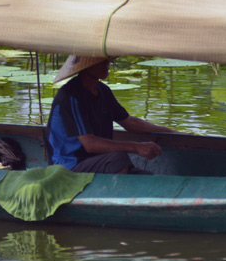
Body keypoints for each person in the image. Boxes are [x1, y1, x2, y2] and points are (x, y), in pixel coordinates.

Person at [46, 55, 178, 173]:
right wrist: (135, 147)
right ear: (86, 66)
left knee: (146, 176)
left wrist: (170, 132)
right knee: (117, 158)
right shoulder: (70, 96)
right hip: (69, 166)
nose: (106, 63)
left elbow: (130, 122)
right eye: (100, 61)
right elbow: (90, 144)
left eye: (106, 60)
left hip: (96, 160)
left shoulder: (103, 90)